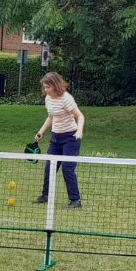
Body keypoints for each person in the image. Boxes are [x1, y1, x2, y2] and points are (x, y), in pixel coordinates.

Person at [32, 71, 84, 210]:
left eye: (48, 87)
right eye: (44, 87)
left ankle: (75, 201)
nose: (45, 90)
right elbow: (51, 117)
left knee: (68, 169)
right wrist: (41, 132)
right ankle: (45, 195)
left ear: (55, 85)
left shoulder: (66, 98)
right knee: (50, 167)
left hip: (71, 138)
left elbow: (80, 116)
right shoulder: (48, 99)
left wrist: (79, 131)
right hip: (55, 138)